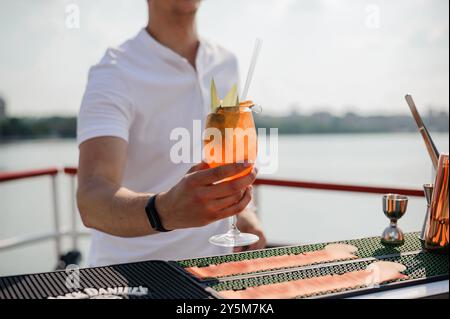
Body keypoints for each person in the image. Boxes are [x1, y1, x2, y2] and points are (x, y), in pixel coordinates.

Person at [77, 0, 266, 267]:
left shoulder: (226, 63)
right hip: (132, 274)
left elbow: (231, 157)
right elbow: (91, 200)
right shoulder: (114, 71)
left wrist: (245, 212)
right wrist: (164, 211)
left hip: (214, 272)